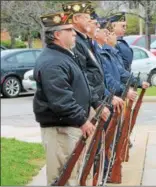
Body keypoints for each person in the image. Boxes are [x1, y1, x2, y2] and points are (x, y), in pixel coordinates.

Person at [33, 12, 96, 185]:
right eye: (69, 29)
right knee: (66, 179)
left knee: (76, 176)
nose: (74, 32)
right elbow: (60, 99)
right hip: (61, 130)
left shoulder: (63, 56)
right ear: (57, 35)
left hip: (68, 127)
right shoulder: (53, 62)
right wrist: (82, 120)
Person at [62, 1, 111, 121]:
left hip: (94, 99)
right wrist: (96, 102)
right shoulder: (77, 42)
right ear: (76, 19)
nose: (90, 22)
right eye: (87, 18)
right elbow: (83, 76)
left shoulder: (84, 41)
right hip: (87, 103)